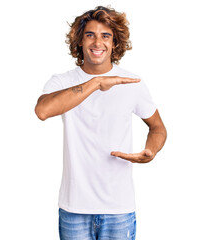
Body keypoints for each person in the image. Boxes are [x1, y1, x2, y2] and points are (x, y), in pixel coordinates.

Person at [35, 6, 167, 240]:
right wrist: (96, 83)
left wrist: (151, 151)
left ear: (115, 43)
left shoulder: (132, 83)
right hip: (74, 208)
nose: (98, 42)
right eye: (90, 35)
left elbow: (157, 128)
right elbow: (43, 111)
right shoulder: (62, 81)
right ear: (80, 41)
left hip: (119, 209)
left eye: (105, 35)